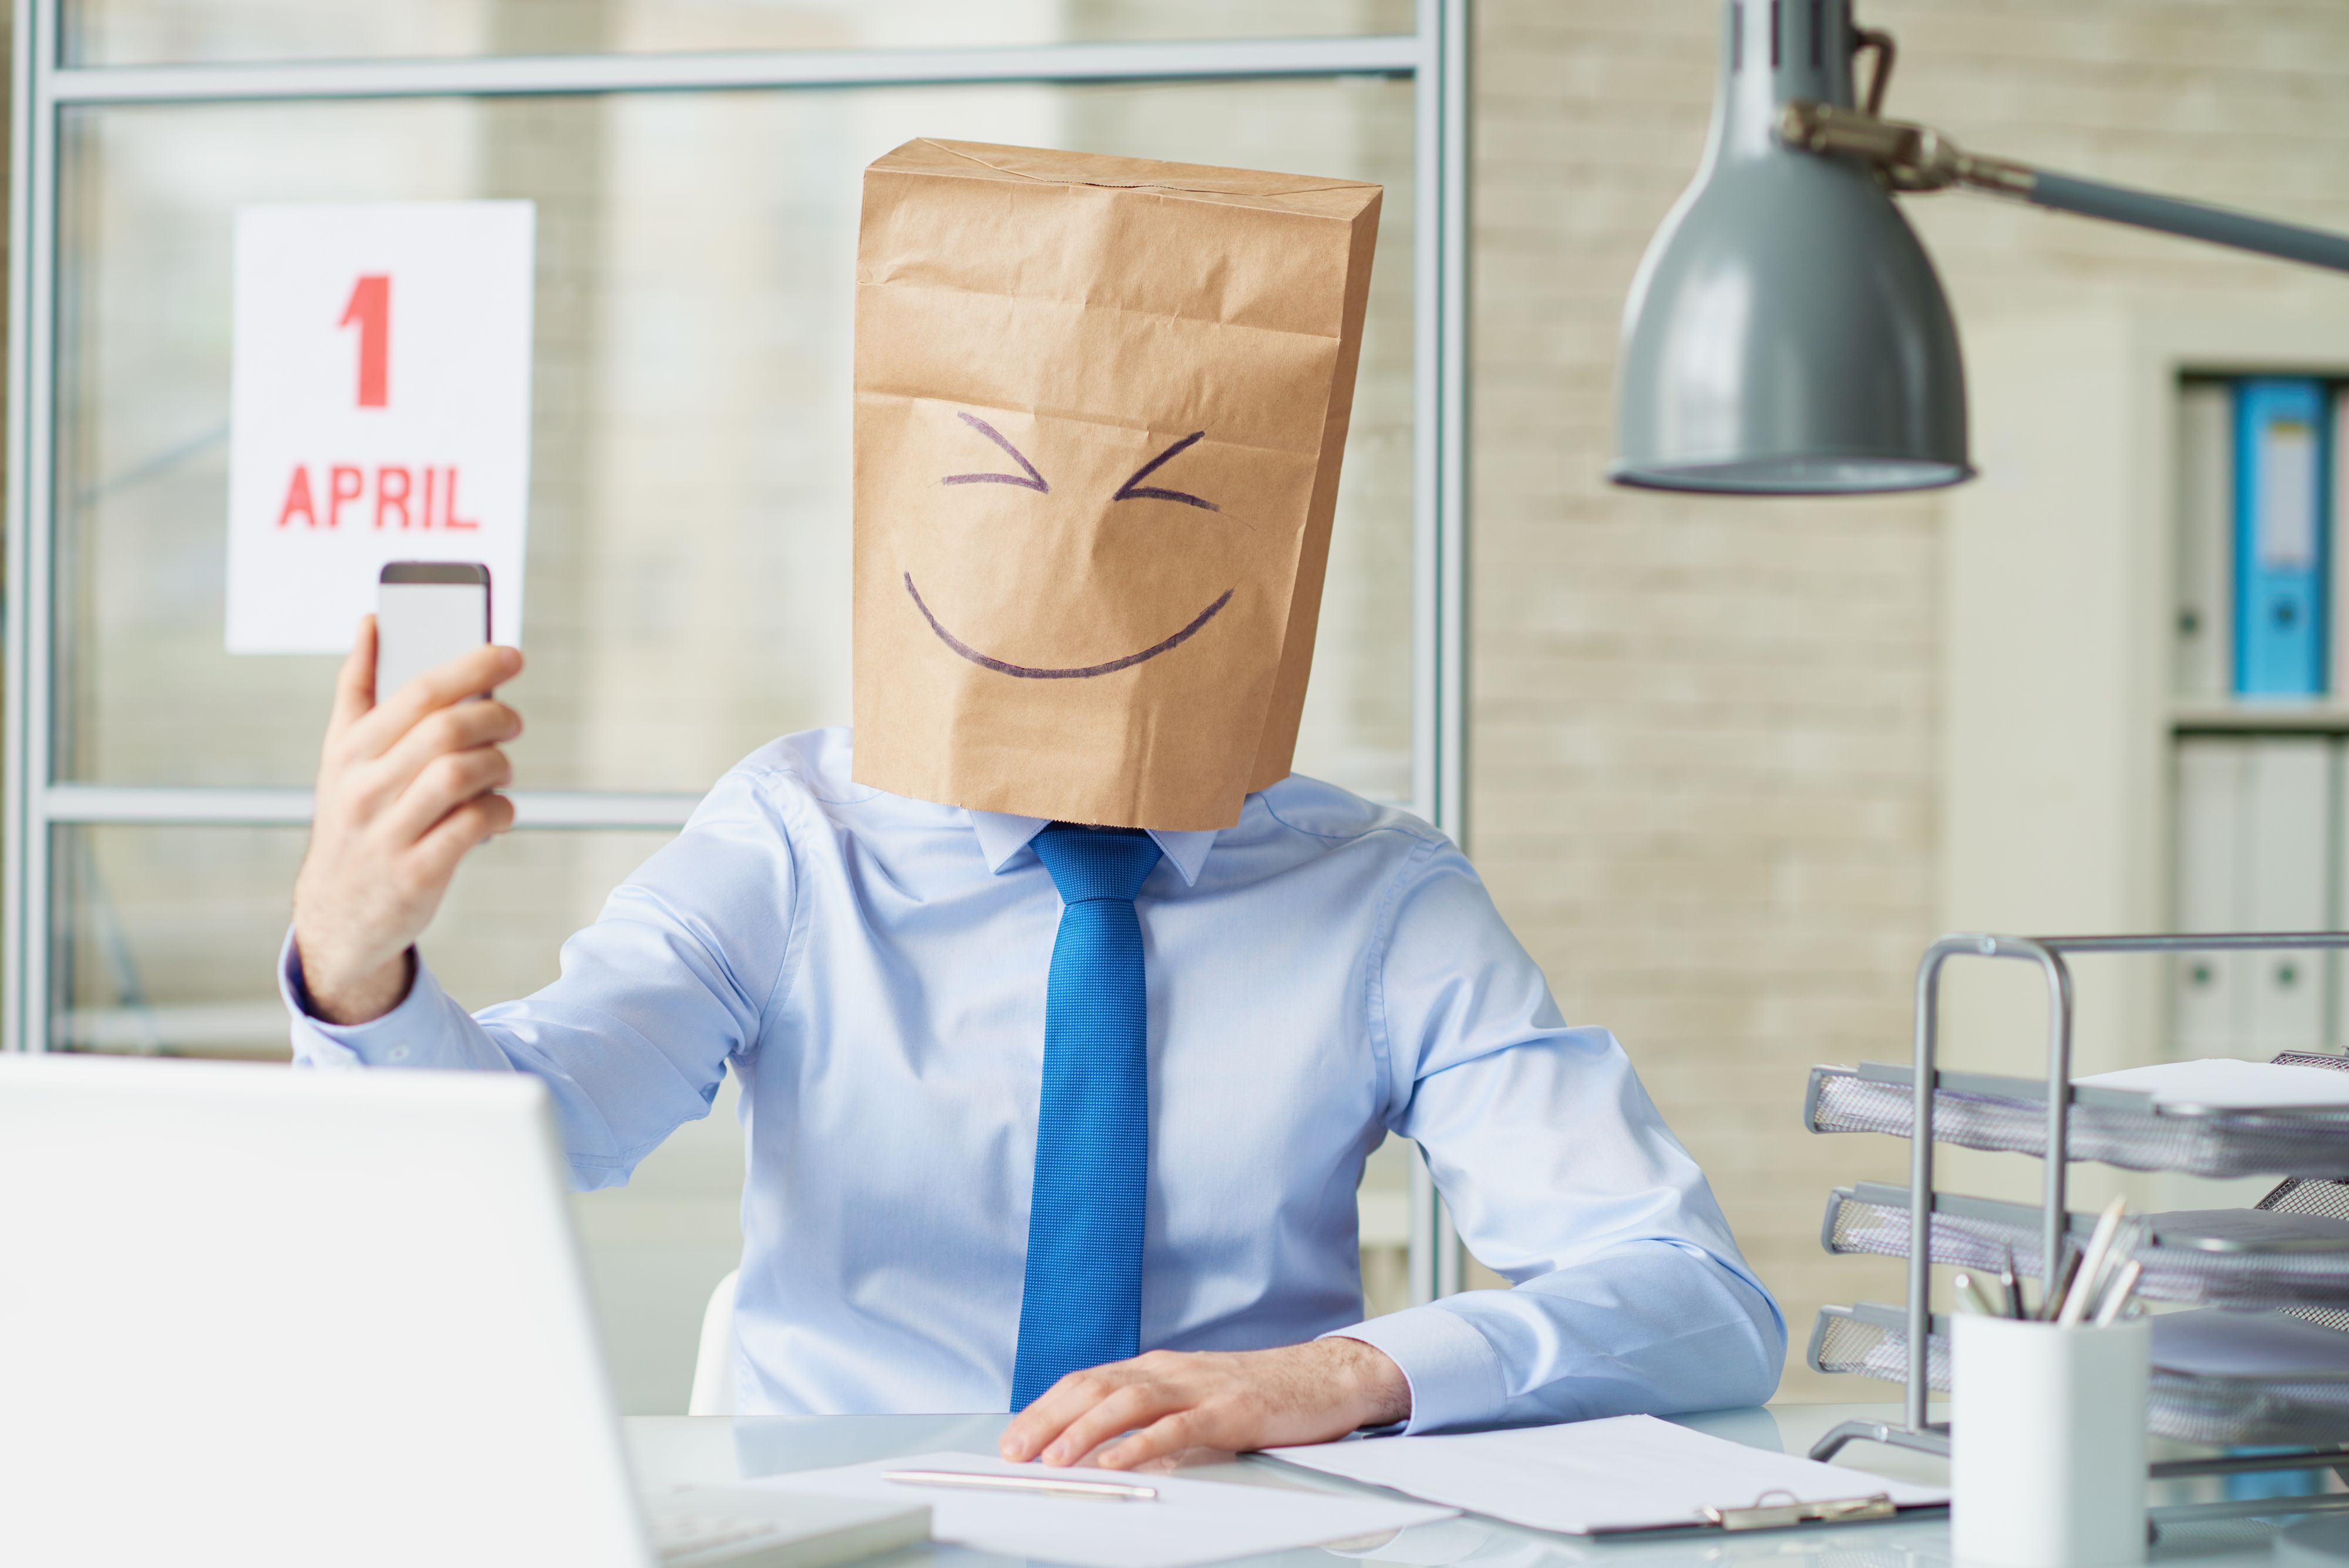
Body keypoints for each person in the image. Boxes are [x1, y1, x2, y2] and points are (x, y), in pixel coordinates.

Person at [281, 141, 1785, 1471]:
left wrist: (1341, 1377)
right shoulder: (797, 842)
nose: (1077, 564)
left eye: (1171, 510)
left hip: (1243, 1528)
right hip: (845, 1531)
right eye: (996, 494)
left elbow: (1697, 1302)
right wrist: (355, 962)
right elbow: (523, 1148)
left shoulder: (1379, 898)